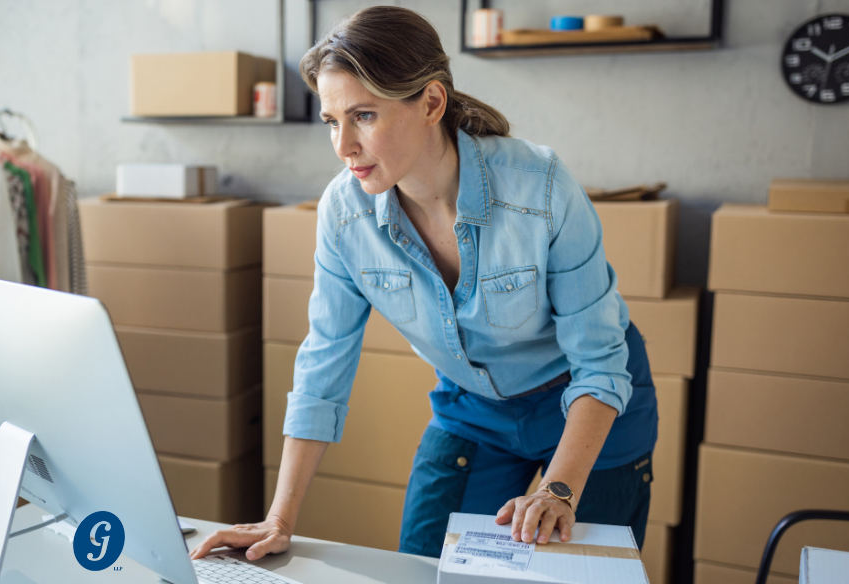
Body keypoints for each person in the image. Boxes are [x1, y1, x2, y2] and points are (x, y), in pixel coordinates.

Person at [190, 6, 657, 561]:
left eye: (363, 116)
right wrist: (279, 518)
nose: (343, 146)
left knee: (569, 571)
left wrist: (558, 490)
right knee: (420, 566)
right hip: (473, 408)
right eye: (332, 121)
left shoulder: (541, 188)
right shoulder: (344, 214)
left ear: (432, 103)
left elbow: (600, 364)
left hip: (590, 405)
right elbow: (323, 364)